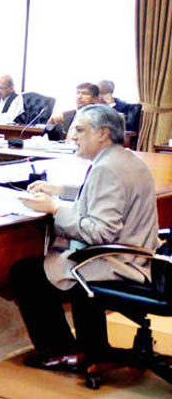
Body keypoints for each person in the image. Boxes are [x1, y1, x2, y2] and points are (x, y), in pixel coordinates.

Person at [11, 104, 160, 372]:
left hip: (118, 263)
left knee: (27, 273)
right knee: (46, 266)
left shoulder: (107, 169)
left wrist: (54, 208)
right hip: (141, 257)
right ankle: (93, 349)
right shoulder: (125, 160)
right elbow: (101, 195)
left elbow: (100, 232)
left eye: (80, 129)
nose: (72, 136)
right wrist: (60, 190)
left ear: (103, 133)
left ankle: (63, 352)